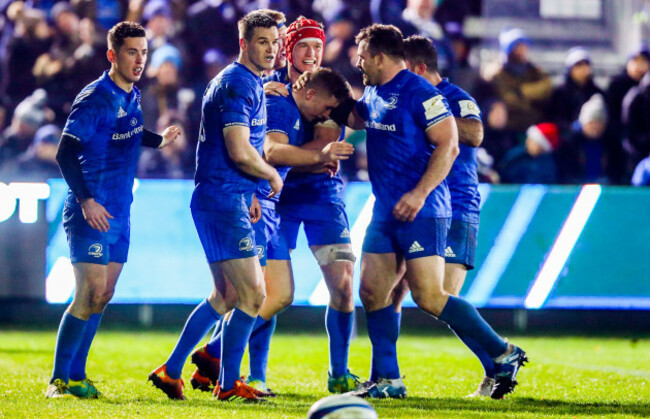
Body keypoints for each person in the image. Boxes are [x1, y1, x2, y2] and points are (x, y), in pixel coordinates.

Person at [327, 24, 527, 400]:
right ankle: (389, 379)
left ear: (380, 57)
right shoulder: (373, 91)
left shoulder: (424, 93)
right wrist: (310, 89)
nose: (358, 62)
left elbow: (450, 146)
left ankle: (503, 353)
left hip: (424, 209)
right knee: (372, 291)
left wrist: (420, 194)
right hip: (386, 210)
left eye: (363, 56)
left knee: (430, 297)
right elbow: (355, 118)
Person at [192, 16, 362, 396]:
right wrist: (318, 154)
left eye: (318, 47)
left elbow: (337, 128)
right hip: (276, 198)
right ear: (288, 49)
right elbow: (271, 149)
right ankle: (253, 374)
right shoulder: (272, 91)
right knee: (269, 291)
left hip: (322, 197)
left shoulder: (327, 90)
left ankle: (337, 372)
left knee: (344, 286)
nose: (311, 54)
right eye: (303, 46)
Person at [148, 11, 281, 403]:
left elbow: (242, 149)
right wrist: (270, 176)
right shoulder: (238, 84)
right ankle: (226, 383)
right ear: (244, 43)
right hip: (222, 198)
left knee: (224, 296)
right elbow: (240, 150)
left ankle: (171, 371)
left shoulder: (246, 82)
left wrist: (252, 190)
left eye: (275, 42)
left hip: (227, 196)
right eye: (262, 42)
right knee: (253, 296)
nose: (271, 50)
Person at [46, 21, 181, 399]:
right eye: (131, 52)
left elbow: (130, 131)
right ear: (112, 55)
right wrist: (87, 200)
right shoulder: (96, 97)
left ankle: (77, 375)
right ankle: (59, 380)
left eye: (143, 53)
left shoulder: (132, 94)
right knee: (87, 293)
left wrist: (158, 140)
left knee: (103, 295)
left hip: (121, 212)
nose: (139, 60)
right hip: (92, 210)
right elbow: (65, 151)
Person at [403, 35, 498, 397]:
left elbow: (475, 134)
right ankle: (498, 363)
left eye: (404, 69)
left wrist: (431, 120)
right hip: (427, 208)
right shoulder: (408, 99)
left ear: (420, 68)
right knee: (430, 297)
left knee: (441, 297)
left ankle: (499, 358)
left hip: (458, 206)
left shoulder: (457, 98)